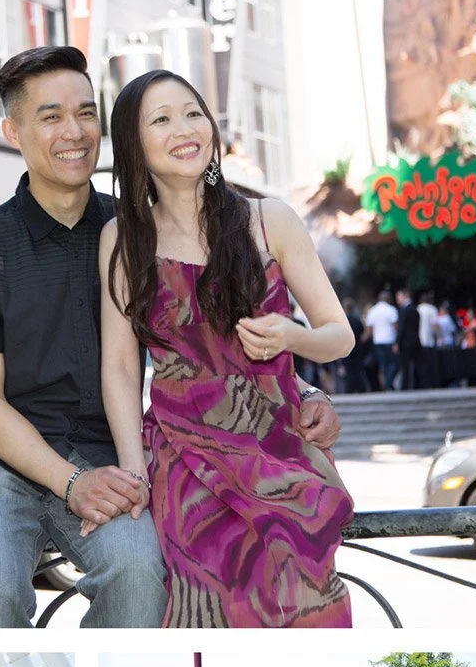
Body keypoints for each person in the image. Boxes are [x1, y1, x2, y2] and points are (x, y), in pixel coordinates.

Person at [0, 46, 340, 628]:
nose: (73, 132)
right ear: (12, 131)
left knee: (141, 580)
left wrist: (306, 393)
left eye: (86, 112)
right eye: (50, 117)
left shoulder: (141, 231)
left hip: (113, 457)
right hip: (1, 463)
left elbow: (210, 339)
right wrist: (71, 483)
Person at [100, 68, 354, 627]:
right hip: (181, 453)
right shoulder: (123, 238)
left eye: (192, 112)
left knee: (305, 602)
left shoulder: (271, 221)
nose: (184, 128)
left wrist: (293, 338)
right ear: (133, 145)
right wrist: (132, 468)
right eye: (161, 120)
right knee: (206, 602)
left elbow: (340, 335)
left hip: (277, 444)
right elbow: (120, 367)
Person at [364, 289, 399, 390]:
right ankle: (388, 383)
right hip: (390, 340)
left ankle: (388, 384)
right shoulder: (391, 310)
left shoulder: (373, 310)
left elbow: (369, 329)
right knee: (394, 363)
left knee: (383, 365)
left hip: (378, 341)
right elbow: (395, 326)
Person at [396, 288, 421, 391]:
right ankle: (419, 385)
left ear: (405, 296)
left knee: (405, 365)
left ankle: (405, 386)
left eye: (399, 296)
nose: (397, 299)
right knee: (418, 365)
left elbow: (402, 328)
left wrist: (397, 342)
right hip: (415, 339)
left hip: (405, 342)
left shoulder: (404, 310)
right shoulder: (415, 309)